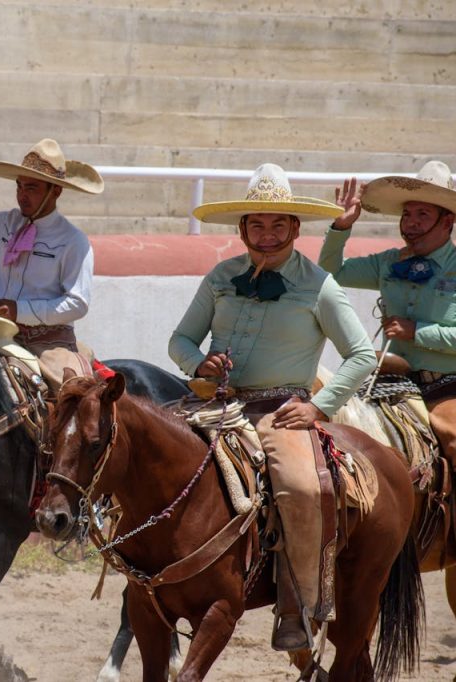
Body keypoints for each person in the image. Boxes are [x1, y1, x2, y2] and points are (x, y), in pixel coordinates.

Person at [168, 163, 375, 651]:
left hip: (283, 412)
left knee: (303, 488)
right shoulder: (221, 275)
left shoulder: (319, 284)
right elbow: (180, 339)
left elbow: (362, 354)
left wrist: (319, 408)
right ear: (242, 228)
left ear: (295, 228)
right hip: (216, 406)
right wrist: (200, 364)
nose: (266, 235)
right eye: (256, 224)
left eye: (278, 224)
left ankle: (298, 608)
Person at [318, 160, 456, 470]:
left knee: (453, 438)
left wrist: (417, 331)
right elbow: (329, 273)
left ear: (447, 222)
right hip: (390, 380)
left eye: (423, 215)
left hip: (448, 386)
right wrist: (341, 227)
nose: (411, 223)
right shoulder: (388, 263)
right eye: (407, 214)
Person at [0, 138, 103, 390]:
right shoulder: (3, 223)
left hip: (50, 345)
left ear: (55, 191)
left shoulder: (73, 241)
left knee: (75, 401)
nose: (22, 195)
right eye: (19, 186)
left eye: (32, 188)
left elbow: (77, 304)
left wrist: (20, 310)